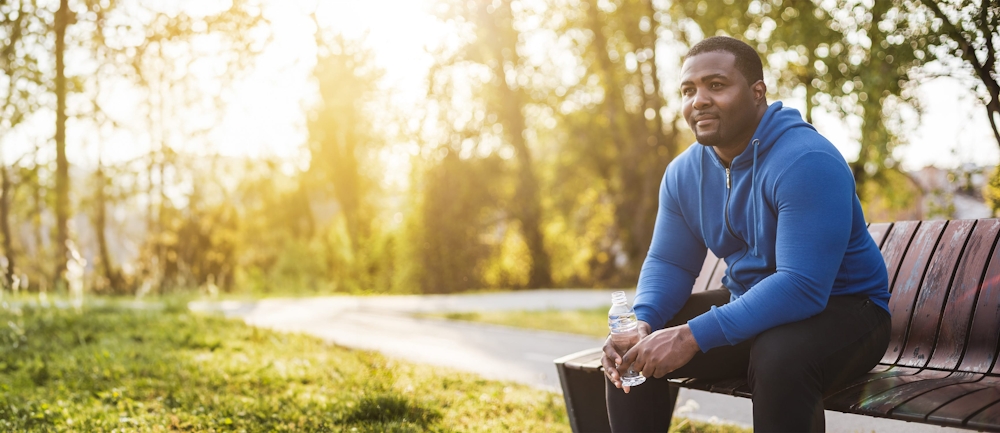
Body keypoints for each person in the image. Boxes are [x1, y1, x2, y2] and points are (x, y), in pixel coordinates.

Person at [601, 36, 892, 432]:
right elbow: (669, 262)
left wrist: (691, 337)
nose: (699, 100)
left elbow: (802, 286)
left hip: (846, 309)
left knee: (779, 356)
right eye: (689, 90)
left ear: (758, 93)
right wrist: (644, 321)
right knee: (630, 348)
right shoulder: (684, 173)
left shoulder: (806, 160)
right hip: (753, 302)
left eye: (716, 85)